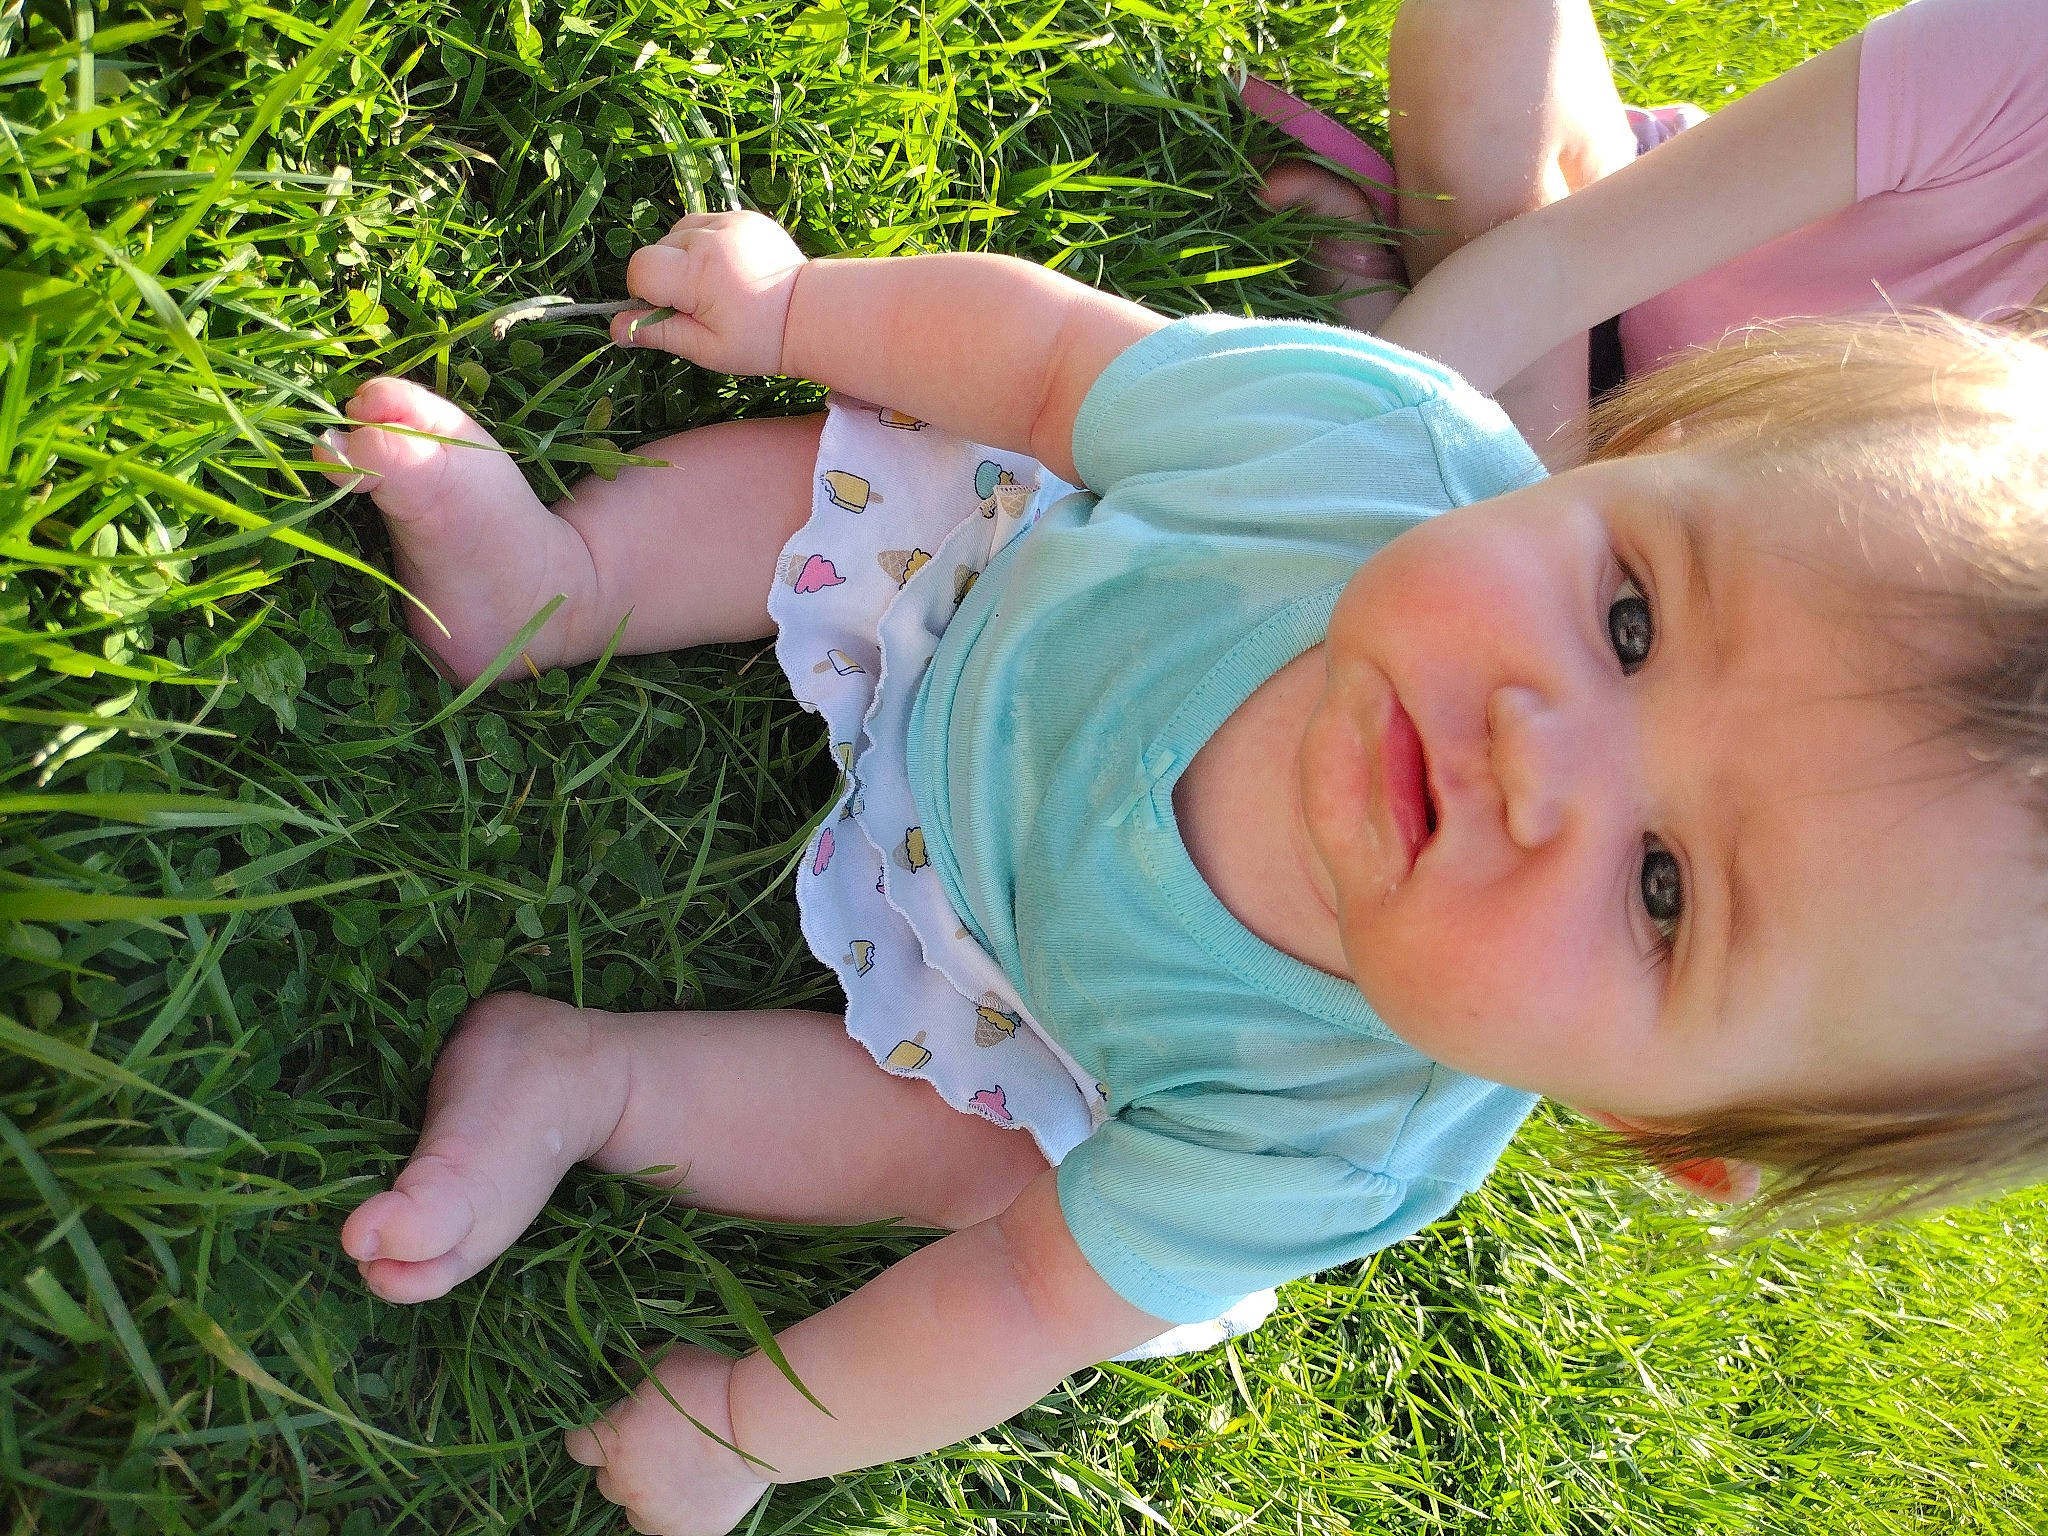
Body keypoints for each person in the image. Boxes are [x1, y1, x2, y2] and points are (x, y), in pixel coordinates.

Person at [316, 208, 2048, 1536]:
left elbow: (1011, 1303)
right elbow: (1053, 364)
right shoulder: (1364, 458)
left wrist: (746, 1433)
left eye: (1662, 889)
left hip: (1007, 997)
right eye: (1628, 617)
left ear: (1660, 1127)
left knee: (983, 1178)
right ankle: (551, 578)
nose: (1534, 756)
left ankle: (589, 1081)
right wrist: (793, 309)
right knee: (867, 487)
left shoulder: (1320, 1130)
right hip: (982, 606)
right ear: (1642, 458)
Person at [1257, 0, 2048, 461]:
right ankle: (1449, 448)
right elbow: (1555, 264)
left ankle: (1377, 317)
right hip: (1615, 260)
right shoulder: (2021, 48)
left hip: (1703, 532)